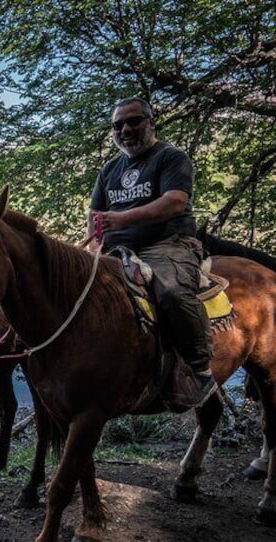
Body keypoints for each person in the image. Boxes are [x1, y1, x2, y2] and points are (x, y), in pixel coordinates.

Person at [88, 96, 217, 408]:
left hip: (168, 244)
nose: (126, 130)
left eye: (134, 121)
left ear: (151, 121)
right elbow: (95, 216)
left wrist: (121, 218)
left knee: (171, 292)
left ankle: (200, 368)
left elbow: (174, 201)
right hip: (117, 249)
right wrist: (93, 248)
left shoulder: (171, 157)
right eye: (118, 125)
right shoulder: (109, 169)